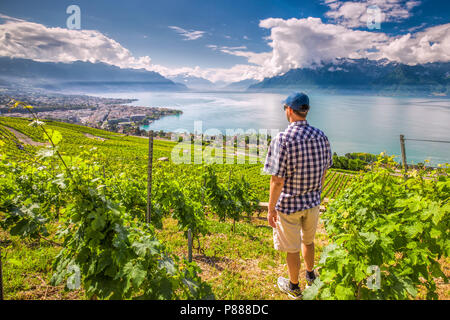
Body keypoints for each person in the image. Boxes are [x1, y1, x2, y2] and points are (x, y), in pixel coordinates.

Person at [263, 92, 332, 300]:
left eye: (285, 108)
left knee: (292, 249)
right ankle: (311, 275)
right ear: (306, 110)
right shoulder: (321, 136)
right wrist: (316, 191)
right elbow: (324, 170)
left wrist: (270, 208)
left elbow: (277, 181)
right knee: (309, 242)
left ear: (290, 110)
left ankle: (294, 286)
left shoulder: (282, 139)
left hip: (289, 207)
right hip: (312, 202)